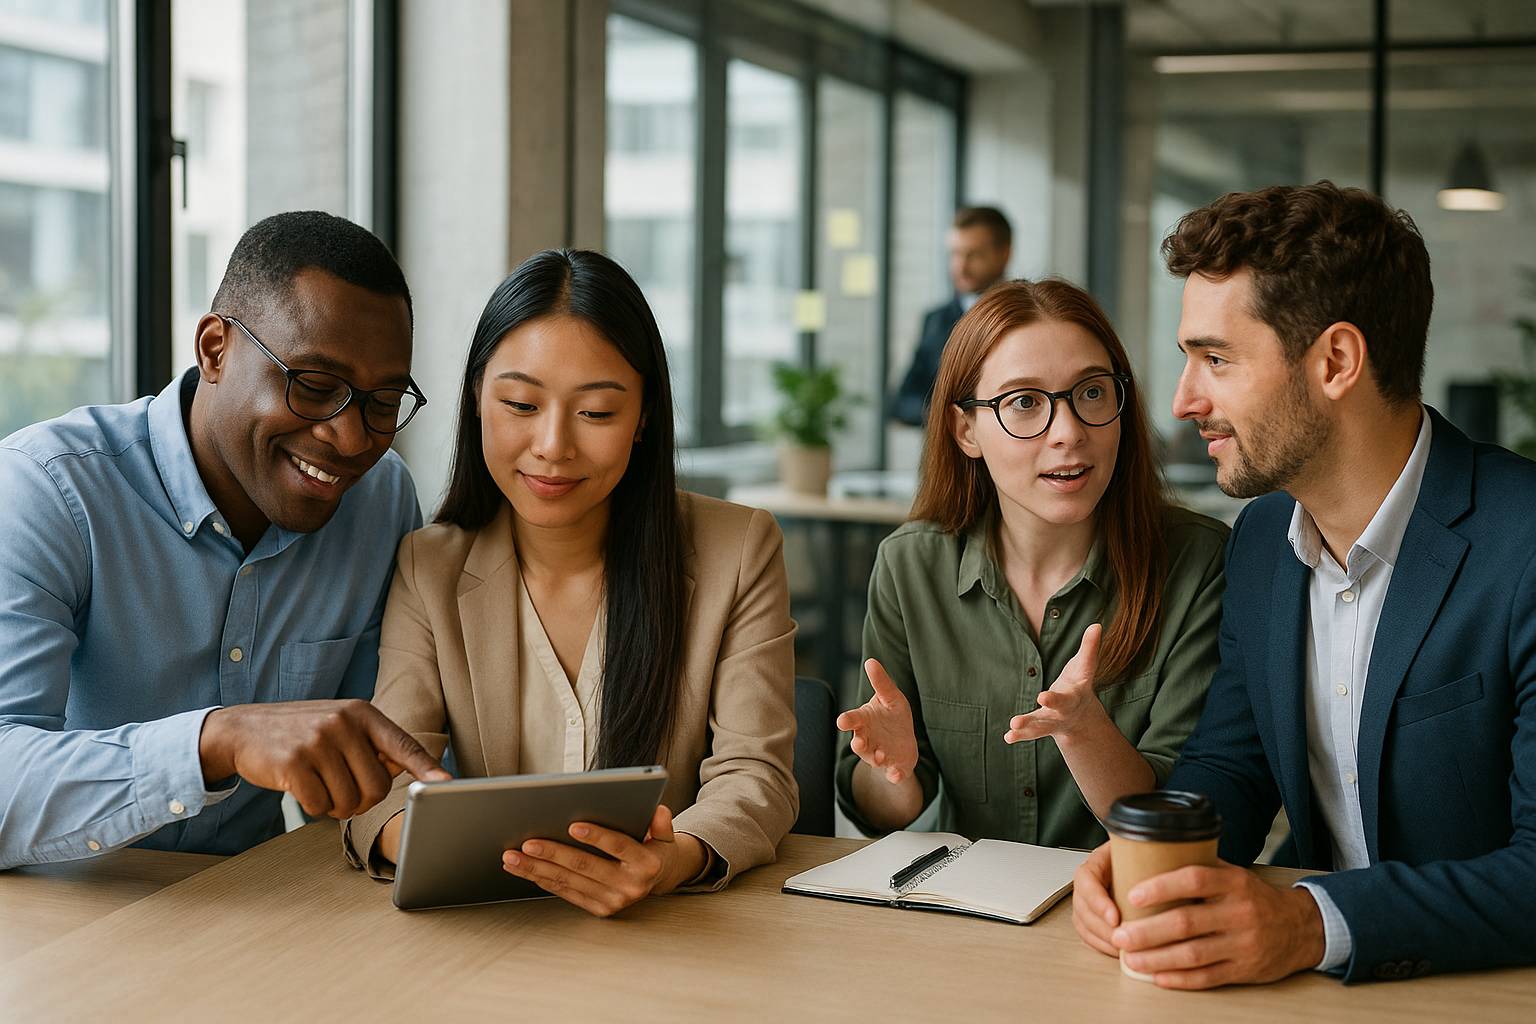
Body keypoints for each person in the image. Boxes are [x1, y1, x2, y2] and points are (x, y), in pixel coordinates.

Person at [1071, 181, 1536, 986]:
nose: (1184, 401)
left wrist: (1310, 923)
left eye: (1216, 360)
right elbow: (1233, 771)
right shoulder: (1260, 542)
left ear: (1336, 362)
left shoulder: (1523, 546)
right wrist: (1144, 863)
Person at [341, 249, 798, 916]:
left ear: (643, 416)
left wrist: (674, 859)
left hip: (675, 932)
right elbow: (382, 781)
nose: (553, 444)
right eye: (521, 403)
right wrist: (460, 855)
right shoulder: (429, 566)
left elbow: (756, 773)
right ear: (476, 400)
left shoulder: (739, 549)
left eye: (597, 413)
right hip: (497, 930)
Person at [0, 212, 449, 870]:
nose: (353, 439)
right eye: (314, 387)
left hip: (247, 909)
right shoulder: (47, 491)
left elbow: (376, 761)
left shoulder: (380, 502)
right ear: (215, 349)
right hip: (56, 923)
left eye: (381, 402)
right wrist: (215, 740)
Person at [834, 278, 1227, 849]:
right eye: (1024, 403)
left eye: (1092, 393)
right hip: (963, 911)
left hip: (1122, 909)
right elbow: (881, 811)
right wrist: (891, 766)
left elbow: (1175, 815)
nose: (1068, 433)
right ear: (965, 429)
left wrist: (1085, 732)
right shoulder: (909, 566)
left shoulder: (1197, 562)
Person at [890, 206, 1013, 426]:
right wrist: (947, 415)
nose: (960, 267)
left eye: (973, 255)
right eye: (955, 254)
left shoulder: (1028, 317)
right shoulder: (935, 320)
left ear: (1004, 253)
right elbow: (903, 401)